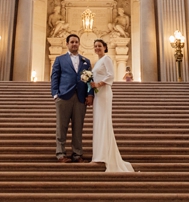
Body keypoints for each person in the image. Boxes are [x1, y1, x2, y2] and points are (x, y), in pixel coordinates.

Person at [89, 39, 134, 173]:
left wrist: (98, 84)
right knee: (99, 122)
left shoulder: (107, 59)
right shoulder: (98, 61)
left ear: (105, 47)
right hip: (98, 95)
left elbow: (111, 76)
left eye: (99, 46)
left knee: (104, 122)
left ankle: (103, 156)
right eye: (95, 46)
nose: (97, 48)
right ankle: (99, 154)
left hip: (104, 93)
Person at [50, 33, 93, 163]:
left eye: (76, 42)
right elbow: (55, 77)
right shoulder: (60, 59)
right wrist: (55, 94)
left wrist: (90, 94)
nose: (74, 44)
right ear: (67, 44)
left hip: (80, 98)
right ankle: (60, 154)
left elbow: (90, 80)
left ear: (79, 44)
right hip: (64, 96)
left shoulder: (86, 61)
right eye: (72, 42)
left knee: (78, 127)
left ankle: (77, 154)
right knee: (61, 127)